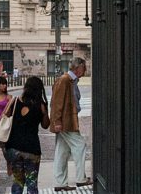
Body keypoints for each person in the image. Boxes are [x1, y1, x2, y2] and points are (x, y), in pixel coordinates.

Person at [49, 57, 90, 190]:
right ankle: (80, 178)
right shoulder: (65, 80)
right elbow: (56, 103)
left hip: (67, 121)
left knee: (62, 152)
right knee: (80, 145)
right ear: (78, 68)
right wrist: (57, 121)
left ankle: (60, 183)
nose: (86, 70)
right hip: (66, 122)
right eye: (84, 67)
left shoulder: (70, 81)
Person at [5, 76, 50, 194]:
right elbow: (45, 125)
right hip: (31, 148)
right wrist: (45, 112)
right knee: (31, 183)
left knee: (18, 181)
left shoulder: (15, 101)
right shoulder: (41, 105)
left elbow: (5, 116)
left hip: (14, 147)